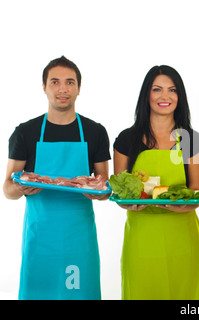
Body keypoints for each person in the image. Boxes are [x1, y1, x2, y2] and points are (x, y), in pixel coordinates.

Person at [3, 56, 111, 300]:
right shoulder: (25, 132)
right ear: (44, 87)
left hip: (79, 239)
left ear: (79, 88)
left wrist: (98, 191)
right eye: (55, 82)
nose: (63, 89)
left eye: (70, 82)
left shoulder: (95, 132)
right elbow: (7, 189)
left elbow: (105, 187)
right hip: (40, 238)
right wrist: (21, 188)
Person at [113, 65, 199, 300]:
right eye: (157, 90)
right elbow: (119, 189)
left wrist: (186, 204)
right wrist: (125, 203)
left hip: (183, 236)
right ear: (147, 95)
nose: (165, 97)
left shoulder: (193, 141)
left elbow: (198, 191)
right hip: (142, 237)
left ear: (180, 97)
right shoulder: (126, 140)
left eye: (172, 90)